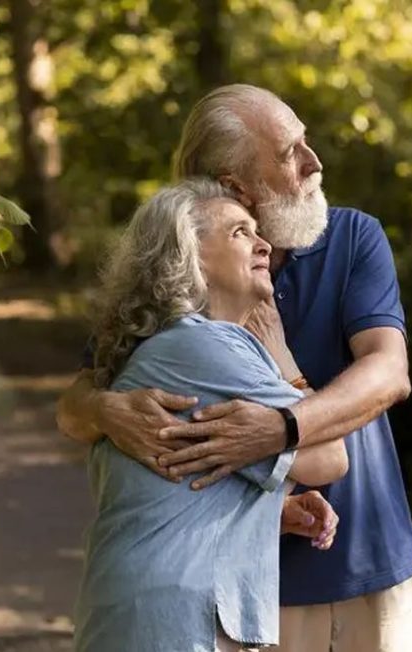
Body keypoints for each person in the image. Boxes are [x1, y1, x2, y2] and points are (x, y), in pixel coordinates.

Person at [58, 85, 412, 652]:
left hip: (367, 561)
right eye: (289, 152)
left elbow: (389, 373)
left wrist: (279, 429)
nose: (314, 162)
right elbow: (76, 404)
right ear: (234, 186)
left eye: (305, 142)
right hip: (240, 588)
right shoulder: (177, 283)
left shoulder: (351, 237)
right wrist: (106, 411)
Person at [74, 178, 348, 652]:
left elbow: (170, 494)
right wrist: (284, 358)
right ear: (191, 254)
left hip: (147, 612)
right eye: (241, 232)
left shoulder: (168, 347)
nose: (265, 244)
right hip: (176, 620)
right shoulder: (205, 346)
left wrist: (267, 512)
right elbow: (329, 457)